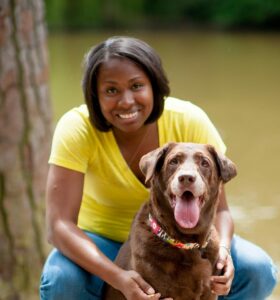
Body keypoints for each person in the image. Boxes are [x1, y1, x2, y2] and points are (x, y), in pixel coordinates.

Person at [40, 36, 277, 300]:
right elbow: (59, 225)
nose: (127, 101)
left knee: (259, 270)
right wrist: (119, 277)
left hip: (187, 238)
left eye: (137, 86)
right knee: (61, 281)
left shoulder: (189, 120)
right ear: (95, 97)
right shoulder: (76, 128)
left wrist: (222, 250)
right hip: (101, 241)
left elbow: (221, 210)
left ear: (155, 86)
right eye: (111, 90)